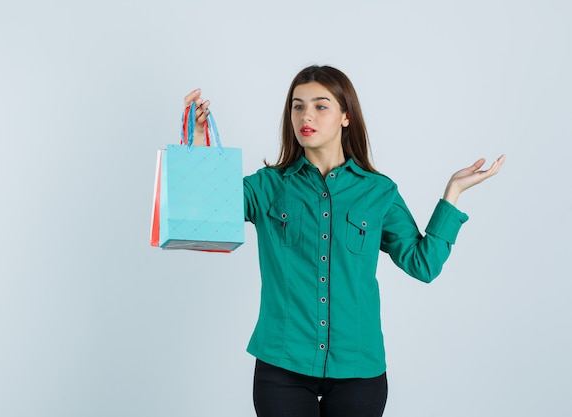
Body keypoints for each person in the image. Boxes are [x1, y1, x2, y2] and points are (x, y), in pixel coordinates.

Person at [181, 65, 505, 417]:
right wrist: (199, 141)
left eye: (321, 106)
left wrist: (453, 193)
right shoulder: (267, 186)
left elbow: (423, 264)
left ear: (346, 116)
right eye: (297, 106)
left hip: (359, 369)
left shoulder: (378, 191)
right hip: (282, 365)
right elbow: (209, 213)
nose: (306, 115)